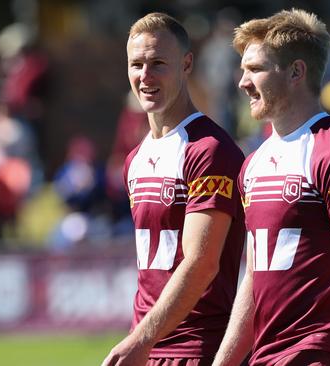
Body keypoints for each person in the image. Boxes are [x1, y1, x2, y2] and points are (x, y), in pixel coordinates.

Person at [213, 9, 330, 366]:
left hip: (319, 355)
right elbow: (254, 275)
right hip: (266, 357)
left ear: (296, 72)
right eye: (243, 69)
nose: (242, 82)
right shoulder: (254, 163)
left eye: (256, 69)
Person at [101, 12, 246, 366]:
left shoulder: (210, 150)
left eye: (158, 63)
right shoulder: (135, 158)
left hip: (197, 348)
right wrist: (142, 340)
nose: (145, 76)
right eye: (136, 64)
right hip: (148, 346)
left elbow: (201, 264)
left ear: (186, 64)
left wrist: (141, 339)